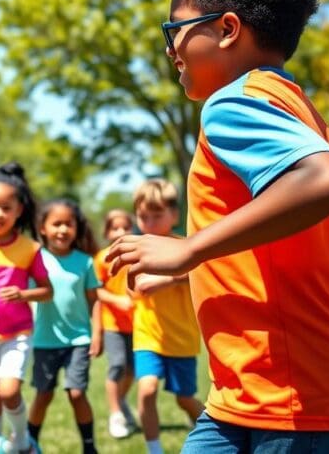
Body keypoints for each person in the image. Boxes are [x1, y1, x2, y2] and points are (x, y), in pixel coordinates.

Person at [108, 0, 329, 452]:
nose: (171, 47)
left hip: (286, 403)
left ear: (227, 29)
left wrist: (189, 249)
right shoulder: (301, 112)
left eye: (176, 29)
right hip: (268, 396)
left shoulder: (232, 102)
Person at [0, 162, 53, 454]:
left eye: (6, 208)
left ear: (20, 210)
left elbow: (47, 291)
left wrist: (23, 293)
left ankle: (21, 444)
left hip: (17, 335)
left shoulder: (30, 249)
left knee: (9, 391)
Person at [127, 180, 203, 454]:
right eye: (142, 216)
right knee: (146, 390)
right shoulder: (135, 247)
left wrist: (167, 279)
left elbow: (200, 272)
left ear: (174, 215)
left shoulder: (185, 246)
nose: (148, 222)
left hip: (181, 337)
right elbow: (130, 289)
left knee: (185, 399)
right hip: (148, 335)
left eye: (156, 215)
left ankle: (218, 433)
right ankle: (154, 450)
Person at [27, 198, 102, 454]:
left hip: (78, 339)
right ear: (43, 228)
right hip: (44, 340)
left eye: (68, 224)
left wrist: (97, 334)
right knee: (43, 395)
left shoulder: (85, 262)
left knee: (77, 393)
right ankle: (29, 442)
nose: (62, 229)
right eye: (56, 223)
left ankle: (89, 447)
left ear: (76, 229)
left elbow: (95, 301)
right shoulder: (35, 259)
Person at [94, 208, 137, 439]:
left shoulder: (138, 255)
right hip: (112, 324)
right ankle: (115, 414)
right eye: (115, 227)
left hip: (137, 324)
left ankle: (120, 400)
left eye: (125, 227)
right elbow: (95, 291)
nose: (120, 231)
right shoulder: (102, 258)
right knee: (118, 365)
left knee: (132, 370)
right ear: (107, 231)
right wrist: (117, 300)